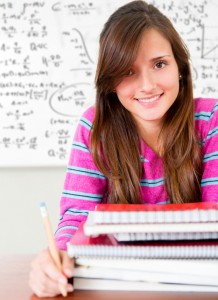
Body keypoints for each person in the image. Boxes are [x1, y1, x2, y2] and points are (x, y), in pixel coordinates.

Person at [29, 0, 218, 297]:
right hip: (118, 285)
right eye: (128, 71)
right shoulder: (95, 128)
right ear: (110, 82)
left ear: (180, 68)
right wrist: (58, 259)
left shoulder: (211, 120)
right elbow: (77, 216)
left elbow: (214, 217)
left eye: (159, 64)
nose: (147, 85)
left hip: (197, 284)